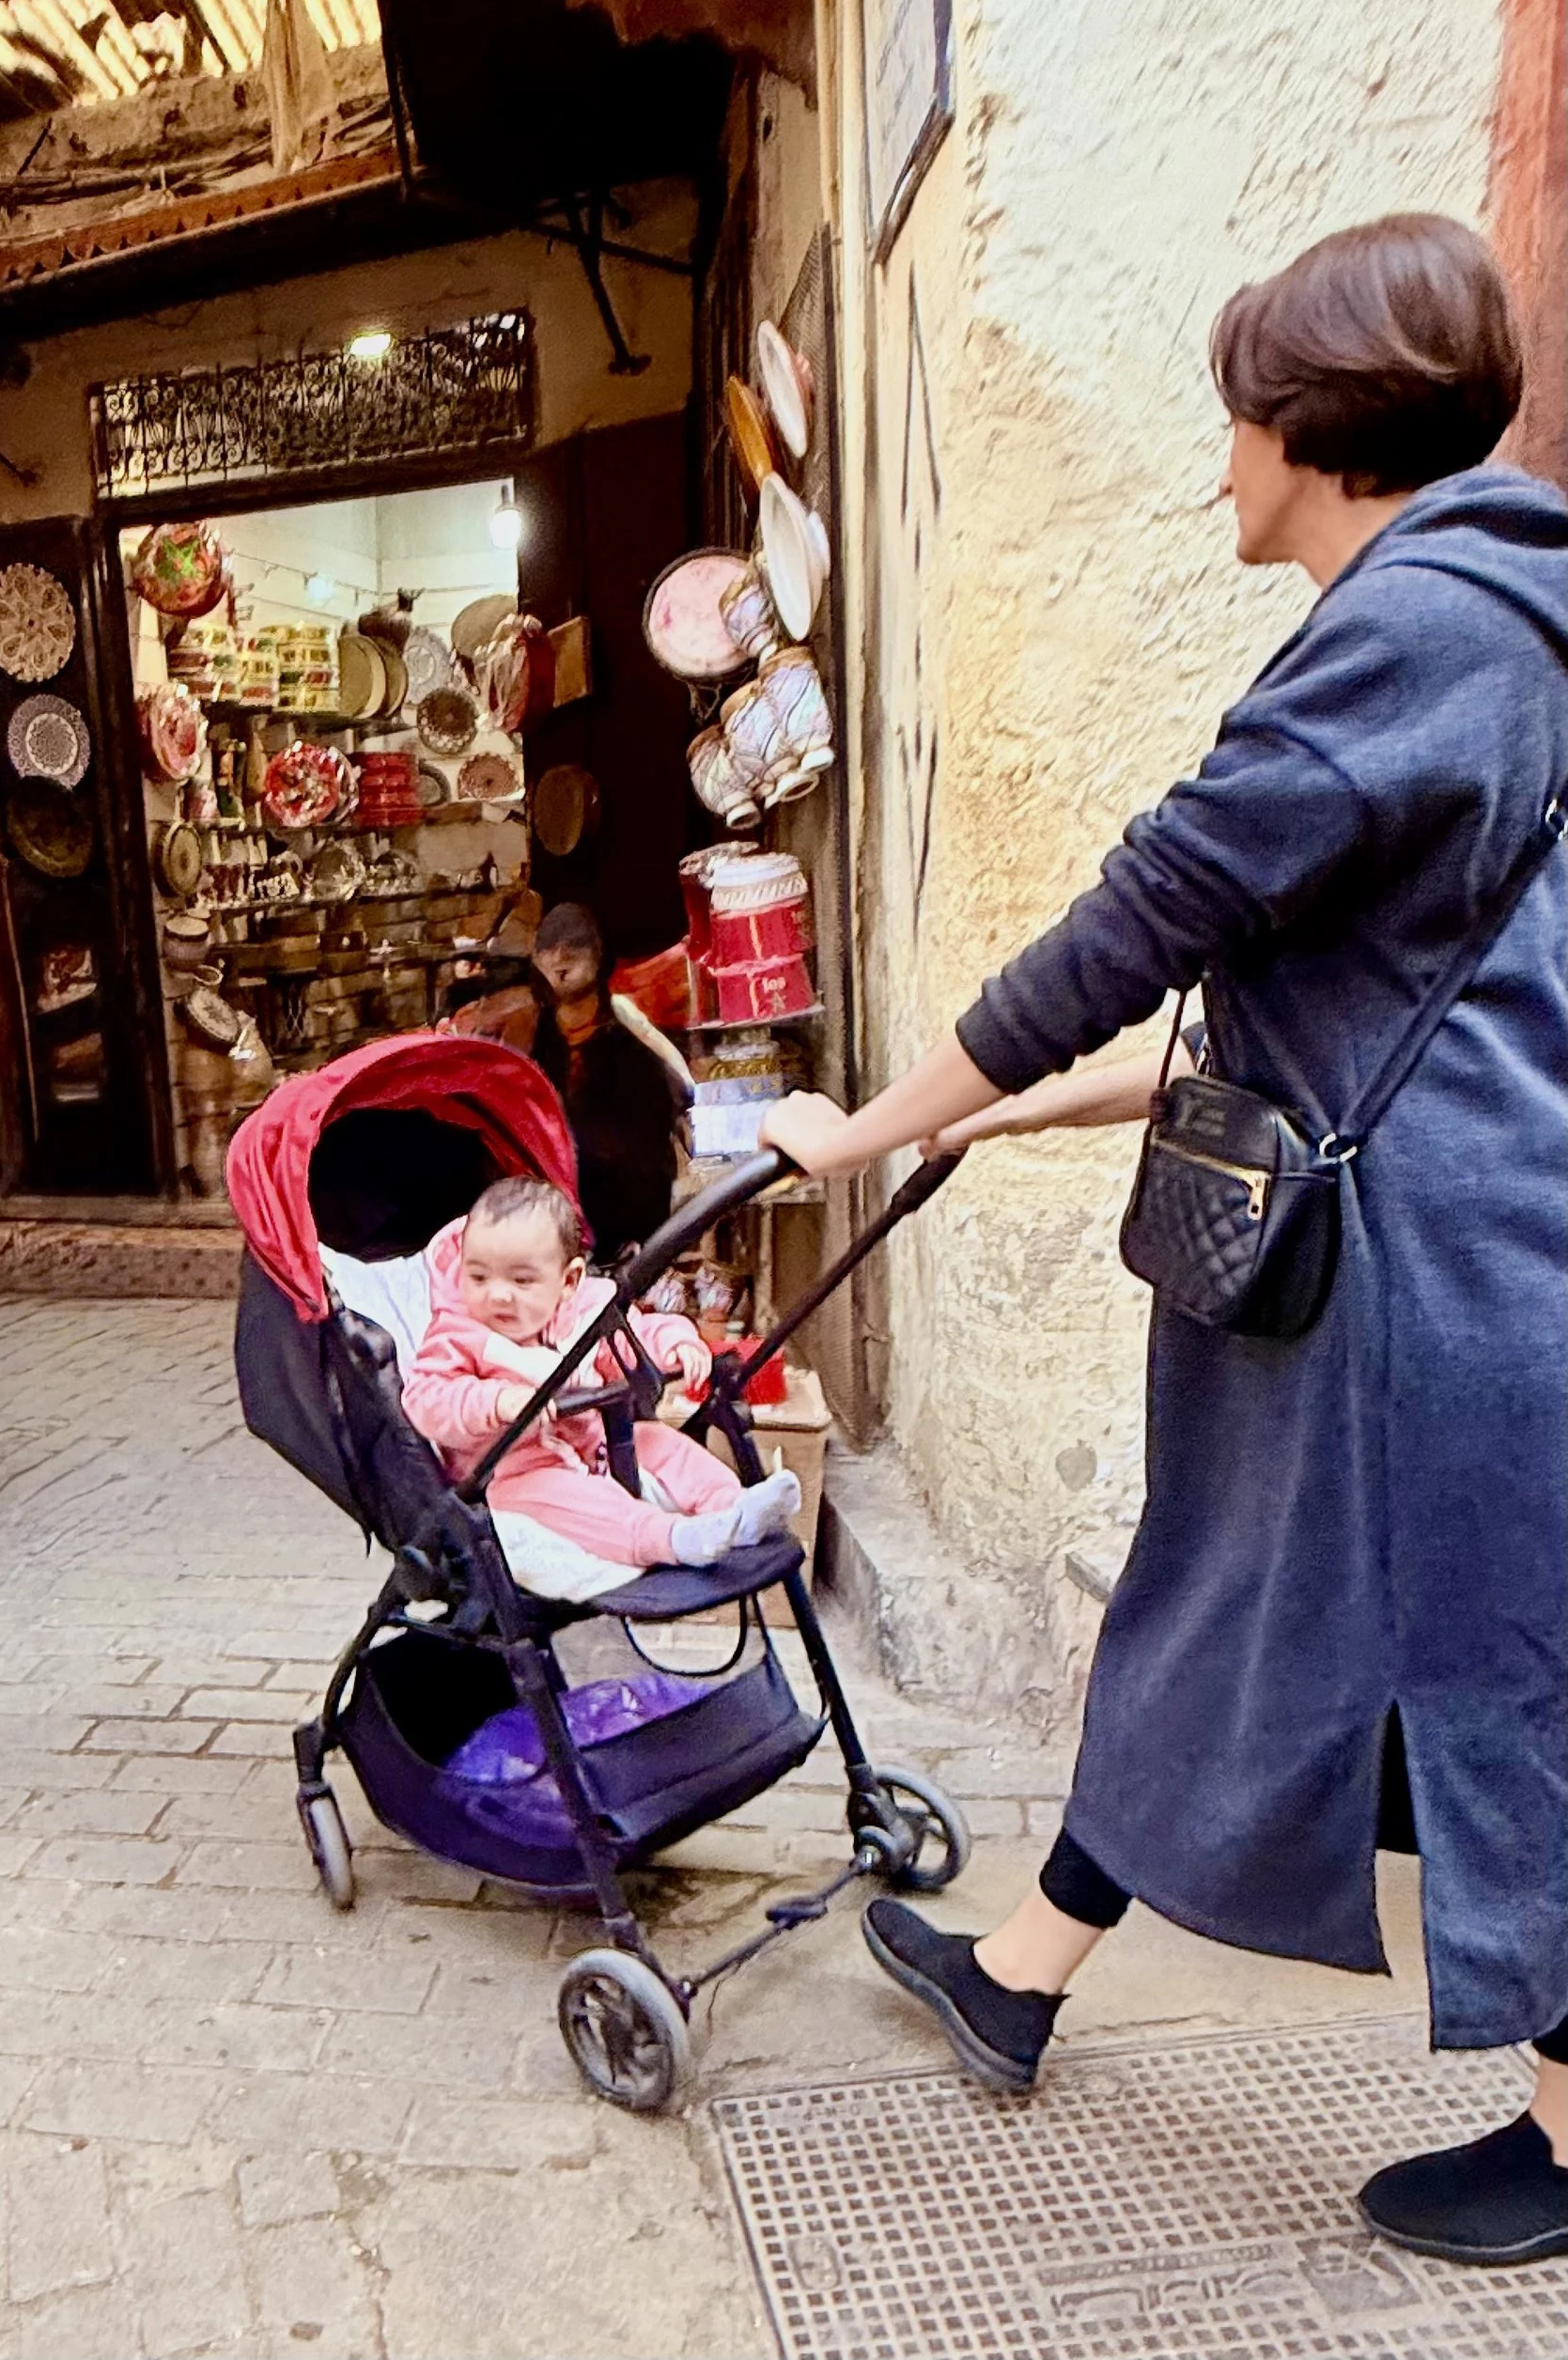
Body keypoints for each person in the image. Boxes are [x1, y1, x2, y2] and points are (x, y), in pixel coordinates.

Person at [759, 213, 1568, 2266]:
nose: (1211, 463)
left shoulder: (1412, 636)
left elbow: (1139, 923)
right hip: (1435, 1244)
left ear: (1304, 434)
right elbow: (1400, 1003)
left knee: (1485, 1687)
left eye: (1229, 422)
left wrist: (855, 1129)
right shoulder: (1510, 622)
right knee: (1221, 1613)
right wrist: (1047, 1103)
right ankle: (1017, 1971)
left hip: (1405, 1292)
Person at [403, 1177, 799, 1595]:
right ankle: (672, 1540)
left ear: (568, 1281)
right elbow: (427, 1399)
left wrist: (676, 1345)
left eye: (521, 1282)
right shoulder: (458, 1335)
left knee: (661, 1443)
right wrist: (497, 1401)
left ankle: (733, 1509)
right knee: (576, 1501)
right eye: (478, 1278)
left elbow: (630, 1340)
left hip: (597, 1447)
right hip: (514, 1473)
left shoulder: (580, 1316)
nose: (498, 1296)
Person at [526, 904, 690, 1263]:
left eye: (573, 948)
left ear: (599, 955)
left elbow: (650, 1144)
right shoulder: (540, 1040)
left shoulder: (628, 1041)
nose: (560, 958)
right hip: (562, 1222)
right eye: (548, 950)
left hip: (627, 1220)